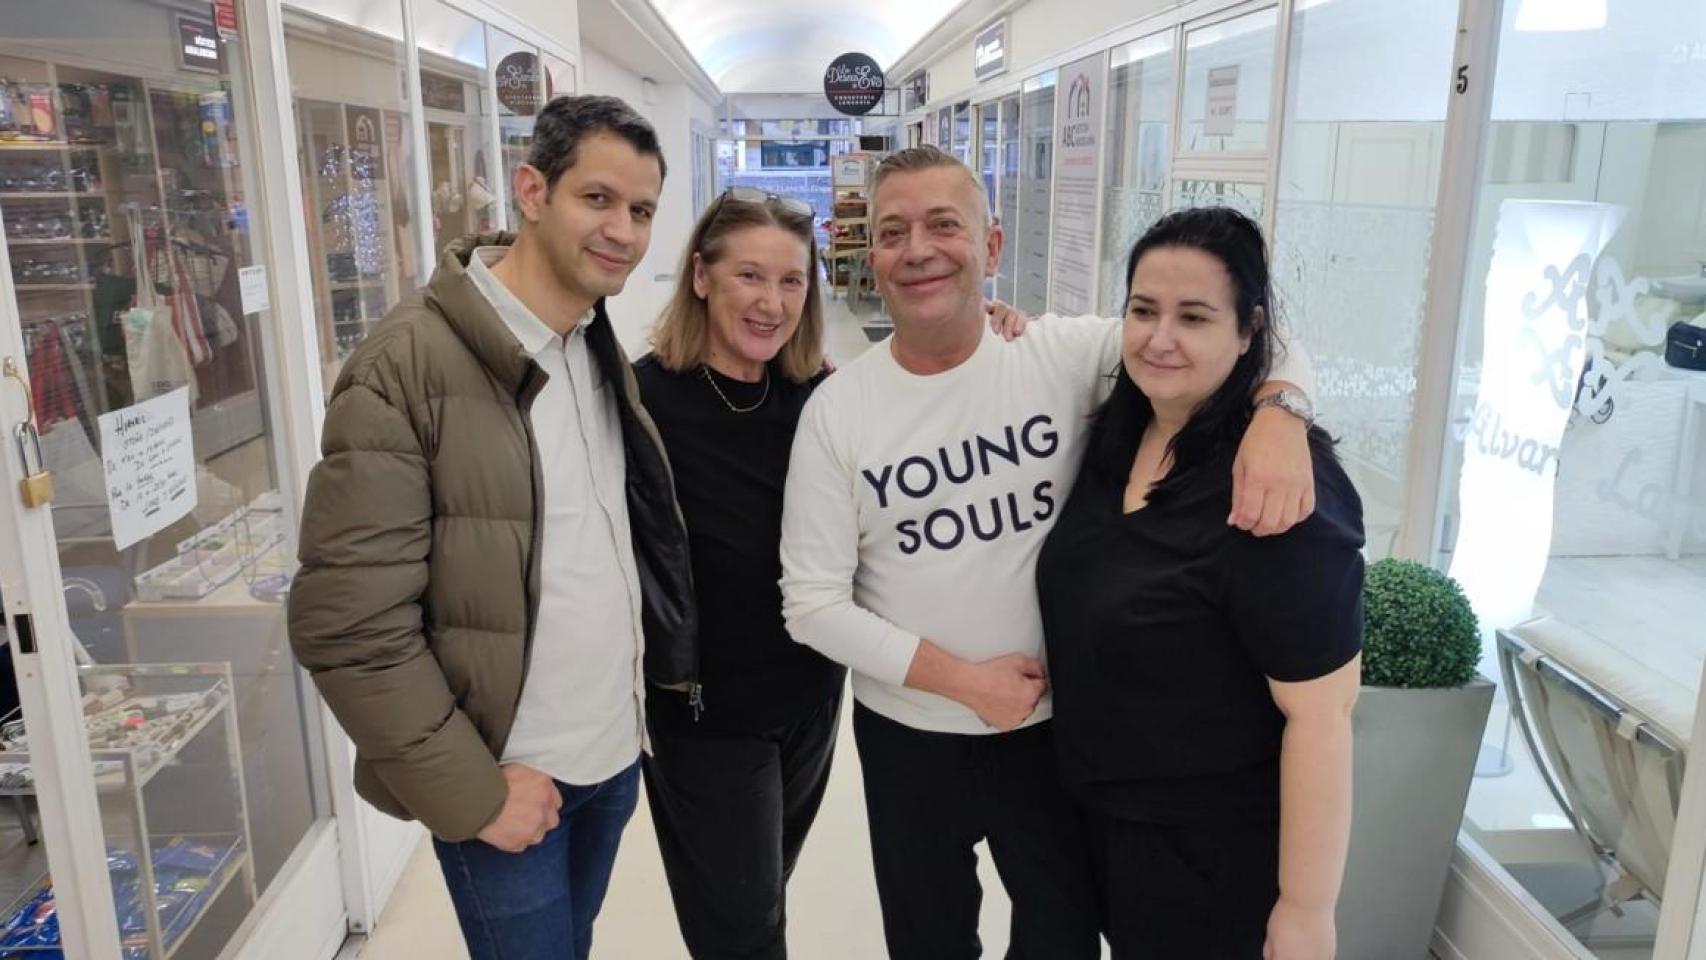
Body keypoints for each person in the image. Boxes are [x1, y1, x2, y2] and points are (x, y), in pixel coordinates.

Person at [778, 145, 1320, 960]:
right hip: (909, 736)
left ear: (992, 249)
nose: (917, 248)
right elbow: (812, 603)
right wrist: (964, 681)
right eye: (892, 232)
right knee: (926, 940)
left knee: (1063, 935)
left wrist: (1282, 414)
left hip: (1059, 731)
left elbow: (1241, 336)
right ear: (868, 256)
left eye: (943, 225)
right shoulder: (838, 411)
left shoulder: (1065, 355)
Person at [288, 95, 695, 960]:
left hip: (611, 756)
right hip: (503, 777)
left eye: (643, 210)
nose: (622, 230)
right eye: (598, 199)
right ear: (532, 191)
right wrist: (472, 795)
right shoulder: (406, 367)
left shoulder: (591, 343)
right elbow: (347, 627)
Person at [635, 186, 1029, 959]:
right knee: (743, 929)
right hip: (706, 716)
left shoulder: (818, 394)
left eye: (791, 281)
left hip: (809, 698)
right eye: (750, 276)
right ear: (701, 276)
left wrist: (1001, 324)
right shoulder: (643, 402)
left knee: (765, 890)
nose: (772, 302)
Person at [1036, 207, 1364, 960]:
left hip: (1214, 856)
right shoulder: (1121, 428)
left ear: (1249, 331)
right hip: (1096, 825)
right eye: (1143, 310)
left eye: (1194, 317)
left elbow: (1323, 717)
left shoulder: (1279, 492)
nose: (1160, 337)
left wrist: (1307, 909)